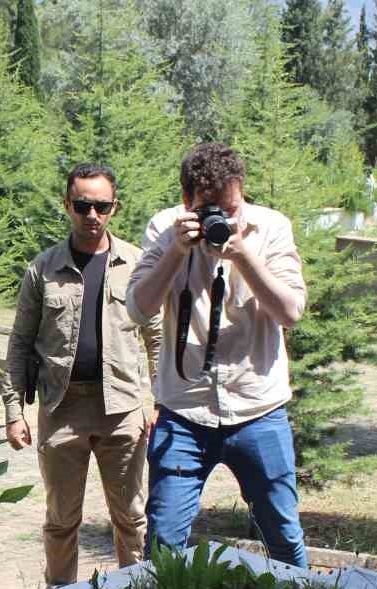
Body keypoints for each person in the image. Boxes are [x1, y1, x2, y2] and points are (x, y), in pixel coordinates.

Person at [125, 141, 310, 567]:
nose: (222, 221)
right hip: (185, 413)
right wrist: (176, 251)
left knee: (283, 537)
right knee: (164, 544)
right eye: (211, 211)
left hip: (259, 408)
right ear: (187, 200)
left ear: (241, 191)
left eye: (232, 209)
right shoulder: (164, 228)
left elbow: (290, 311)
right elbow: (139, 308)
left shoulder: (270, 227)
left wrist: (244, 254)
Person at [2, 163, 161, 588]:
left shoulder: (137, 264)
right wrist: (14, 411)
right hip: (62, 407)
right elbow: (20, 343)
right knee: (60, 520)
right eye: (83, 205)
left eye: (101, 206)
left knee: (131, 517)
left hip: (123, 408)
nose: (92, 215)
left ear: (114, 207)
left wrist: (158, 401)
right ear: (68, 205)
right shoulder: (43, 268)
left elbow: (157, 336)